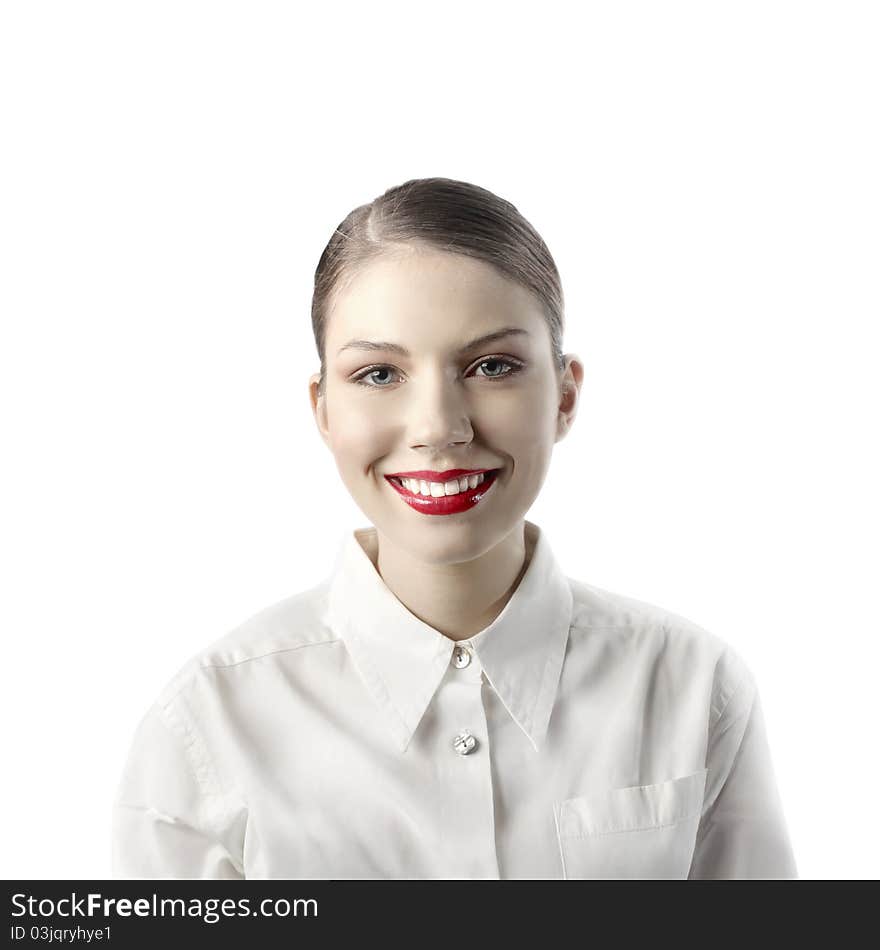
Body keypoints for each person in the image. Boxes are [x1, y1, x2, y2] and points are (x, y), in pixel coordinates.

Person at [111, 176, 797, 879]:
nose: (439, 429)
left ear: (564, 395)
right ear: (323, 409)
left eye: (492, 366)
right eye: (379, 374)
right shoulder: (207, 726)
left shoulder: (691, 687)